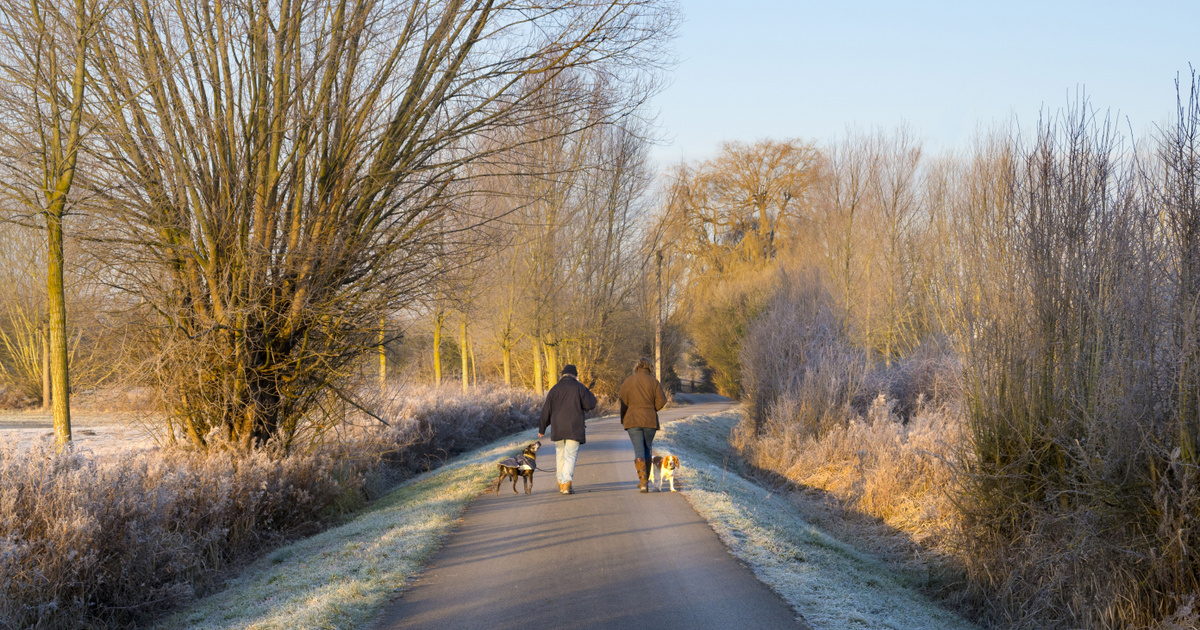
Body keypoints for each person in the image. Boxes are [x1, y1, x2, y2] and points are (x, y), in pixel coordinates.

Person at [538, 364, 597, 495]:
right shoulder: (579, 387)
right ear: (575, 375)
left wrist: (542, 428)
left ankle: (561, 483)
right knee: (570, 456)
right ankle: (566, 483)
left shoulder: (555, 389)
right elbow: (591, 403)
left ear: (563, 374)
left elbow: (546, 410)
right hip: (574, 427)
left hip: (558, 428)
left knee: (560, 456)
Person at [618, 357, 666, 492]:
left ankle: (643, 481)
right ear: (650, 368)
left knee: (639, 450)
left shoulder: (628, 381)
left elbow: (623, 402)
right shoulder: (654, 382)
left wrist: (624, 418)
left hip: (633, 419)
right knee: (647, 448)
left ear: (637, 367)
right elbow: (662, 401)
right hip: (650, 420)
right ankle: (645, 482)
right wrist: (652, 409)